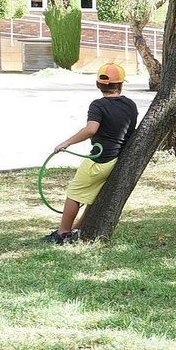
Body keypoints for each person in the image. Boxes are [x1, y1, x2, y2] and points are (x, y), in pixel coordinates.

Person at [44, 63, 139, 244]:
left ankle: (62, 233)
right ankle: (77, 229)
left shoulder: (98, 105)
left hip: (99, 160)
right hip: (117, 160)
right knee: (92, 197)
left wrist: (66, 143)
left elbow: (91, 129)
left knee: (74, 193)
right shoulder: (130, 104)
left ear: (98, 85)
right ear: (121, 85)